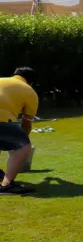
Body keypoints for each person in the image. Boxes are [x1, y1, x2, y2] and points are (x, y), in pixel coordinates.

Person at [0, 67, 38, 195]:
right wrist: (22, 140)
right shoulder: (28, 90)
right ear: (30, 82)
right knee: (23, 146)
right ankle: (6, 185)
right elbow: (26, 122)